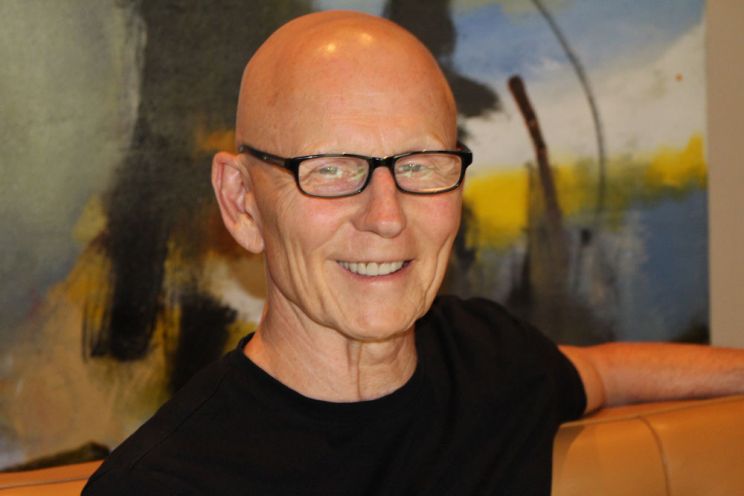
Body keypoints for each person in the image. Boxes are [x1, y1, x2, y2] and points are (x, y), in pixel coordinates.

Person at [83, 10, 744, 495]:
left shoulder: (488, 360)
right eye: (332, 168)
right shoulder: (165, 483)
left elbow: (607, 371)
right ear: (242, 202)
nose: (386, 216)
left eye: (421, 165)